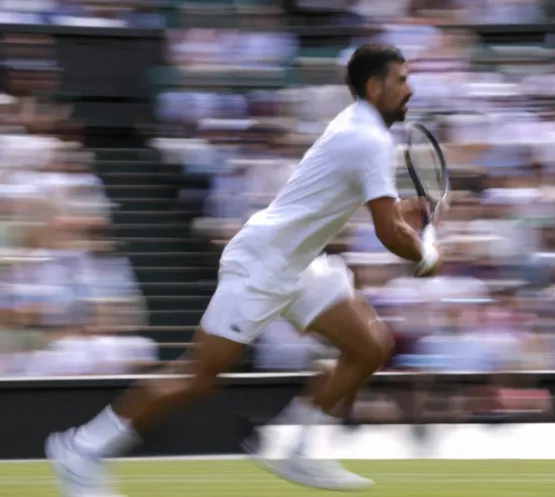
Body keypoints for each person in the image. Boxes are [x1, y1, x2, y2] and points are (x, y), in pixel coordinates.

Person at [45, 43, 442, 496]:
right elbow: (389, 232)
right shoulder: (367, 137)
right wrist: (426, 254)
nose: (410, 89)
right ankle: (81, 449)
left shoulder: (363, 128)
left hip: (298, 264)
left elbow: (383, 217)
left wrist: (406, 228)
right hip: (262, 264)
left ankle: (295, 449)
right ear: (375, 86)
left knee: (369, 347)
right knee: (198, 377)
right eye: (401, 80)